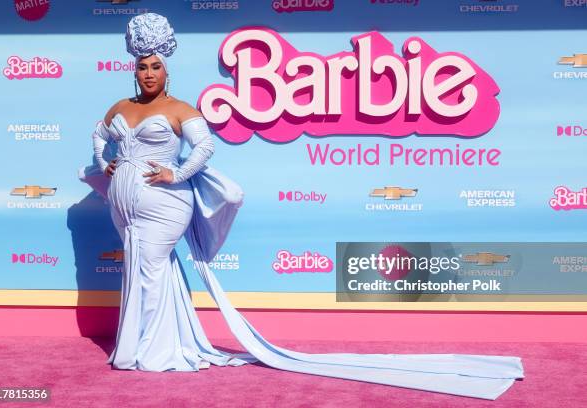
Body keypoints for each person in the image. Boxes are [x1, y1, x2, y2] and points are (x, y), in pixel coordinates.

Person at [78, 12, 524, 400]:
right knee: (140, 268)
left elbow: (205, 149)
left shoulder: (180, 108)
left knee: (152, 268)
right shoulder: (120, 105)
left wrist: (176, 174)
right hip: (125, 208)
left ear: (166, 71)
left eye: (156, 66)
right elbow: (100, 135)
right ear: (134, 71)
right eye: (143, 67)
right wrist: (107, 162)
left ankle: (155, 351)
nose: (150, 73)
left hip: (165, 206)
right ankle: (146, 345)